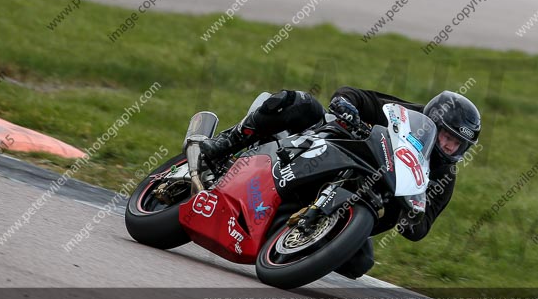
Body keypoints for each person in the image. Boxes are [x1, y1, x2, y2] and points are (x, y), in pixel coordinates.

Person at [199, 87, 481, 279]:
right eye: (446, 136)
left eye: (457, 144)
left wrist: (410, 213)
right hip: (332, 151)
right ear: (433, 120)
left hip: (359, 201)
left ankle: (291, 240)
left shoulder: (444, 176)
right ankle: (228, 142)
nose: (448, 146)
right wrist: (346, 105)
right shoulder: (406, 117)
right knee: (298, 102)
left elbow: (421, 227)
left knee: (360, 262)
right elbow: (360, 96)